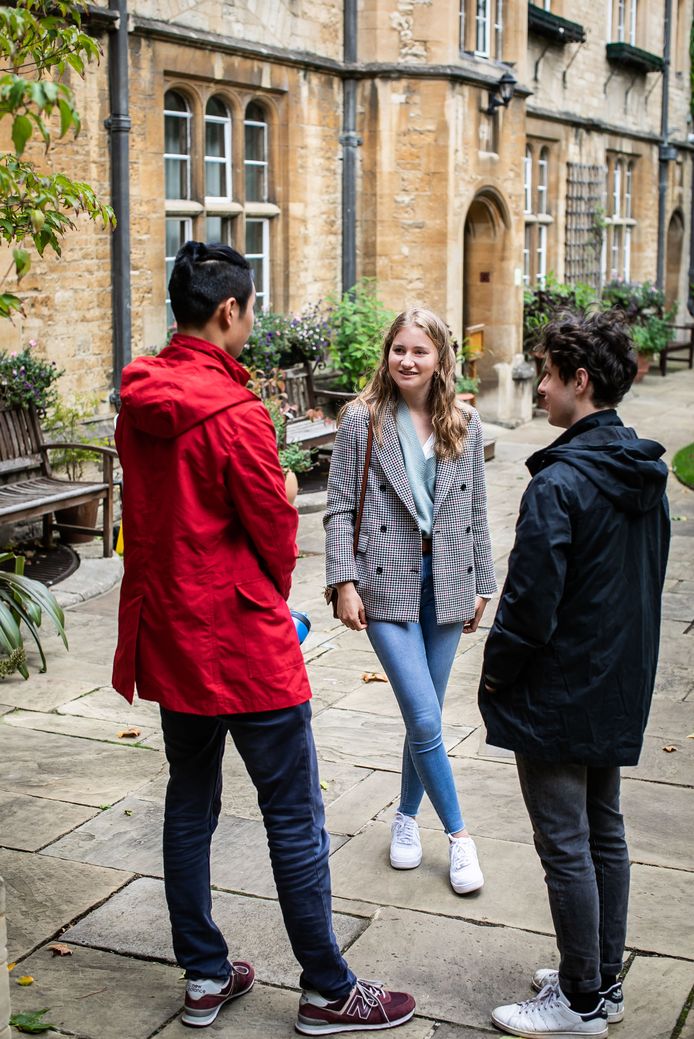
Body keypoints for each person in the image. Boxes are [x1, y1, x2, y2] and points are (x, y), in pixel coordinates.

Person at [112, 241, 415, 1035]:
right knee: (293, 812)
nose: (253, 319)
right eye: (251, 308)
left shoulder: (138, 400)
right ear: (228, 311)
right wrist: (281, 488)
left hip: (173, 638)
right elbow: (275, 539)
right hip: (242, 644)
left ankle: (205, 976)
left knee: (189, 803)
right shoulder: (237, 415)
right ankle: (325, 988)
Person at [479, 310, 670, 1039]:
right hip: (616, 684)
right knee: (604, 833)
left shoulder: (559, 483)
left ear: (579, 381)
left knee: (567, 842)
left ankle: (581, 1000)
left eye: (547, 375)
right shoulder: (640, 470)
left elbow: (528, 606)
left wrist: (496, 676)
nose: (539, 387)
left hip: (559, 692)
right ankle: (604, 978)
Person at [324, 307, 497, 894]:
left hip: (448, 579)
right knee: (424, 716)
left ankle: (404, 818)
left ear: (440, 358)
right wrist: (344, 582)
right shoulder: (361, 419)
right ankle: (459, 837)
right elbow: (339, 505)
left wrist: (482, 584)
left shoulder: (465, 423)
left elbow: (476, 510)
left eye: (420, 351)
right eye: (399, 348)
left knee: (420, 716)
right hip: (385, 580)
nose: (407, 360)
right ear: (387, 352)